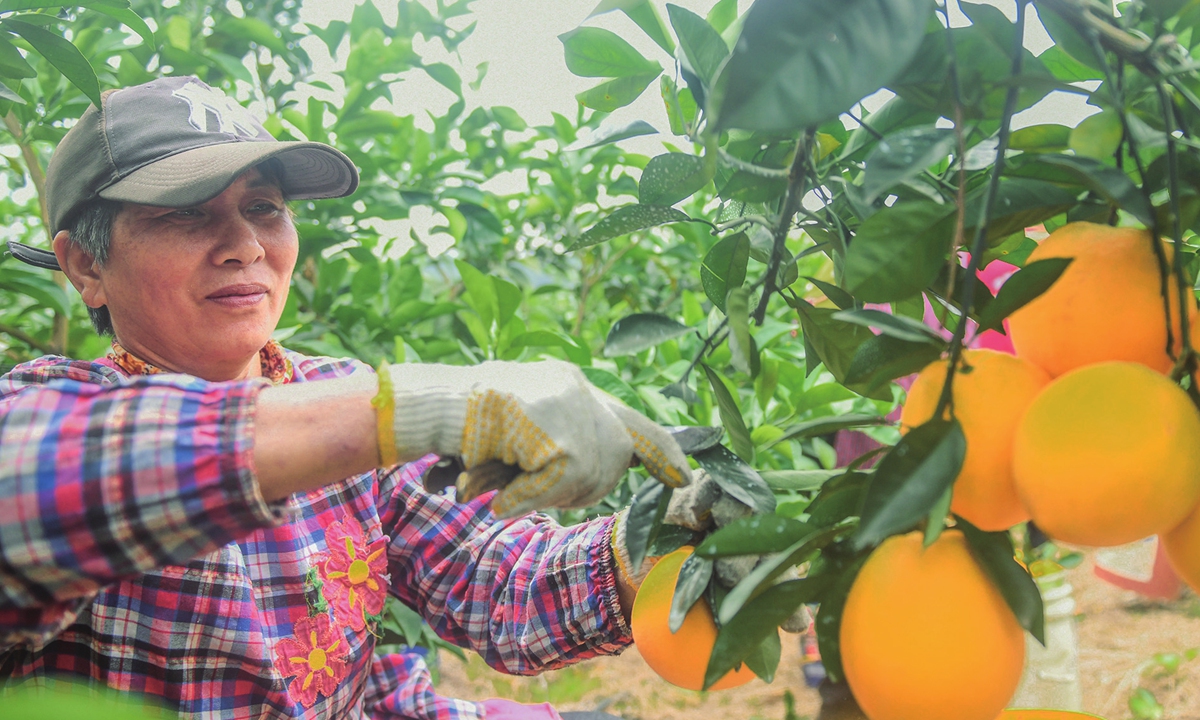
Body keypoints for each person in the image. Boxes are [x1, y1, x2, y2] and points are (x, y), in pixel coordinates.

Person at [0, 76, 693, 719]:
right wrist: (409, 409)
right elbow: (32, 481)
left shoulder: (336, 393)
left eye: (263, 208)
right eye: (185, 215)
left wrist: (642, 554)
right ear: (87, 264)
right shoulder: (53, 410)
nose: (244, 244)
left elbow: (497, 576)